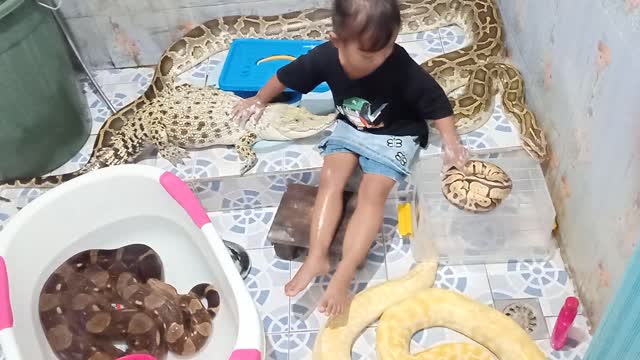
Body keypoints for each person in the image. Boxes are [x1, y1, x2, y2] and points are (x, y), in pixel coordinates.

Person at [231, 0, 469, 317]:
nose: (381, 59)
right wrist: (259, 99)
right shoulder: (324, 56)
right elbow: (286, 76)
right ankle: (317, 255)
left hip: (395, 133)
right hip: (351, 124)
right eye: (370, 55)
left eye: (388, 48)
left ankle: (343, 275)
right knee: (330, 179)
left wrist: (451, 141)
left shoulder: (399, 64)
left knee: (372, 194)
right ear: (336, 41)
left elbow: (437, 101)